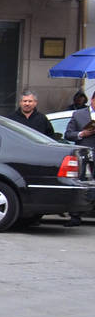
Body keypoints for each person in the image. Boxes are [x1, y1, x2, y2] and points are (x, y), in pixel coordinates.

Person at [64, 96, 95, 225]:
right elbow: (68, 134)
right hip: (83, 154)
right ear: (92, 100)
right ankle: (75, 216)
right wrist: (82, 134)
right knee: (80, 183)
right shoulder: (78, 114)